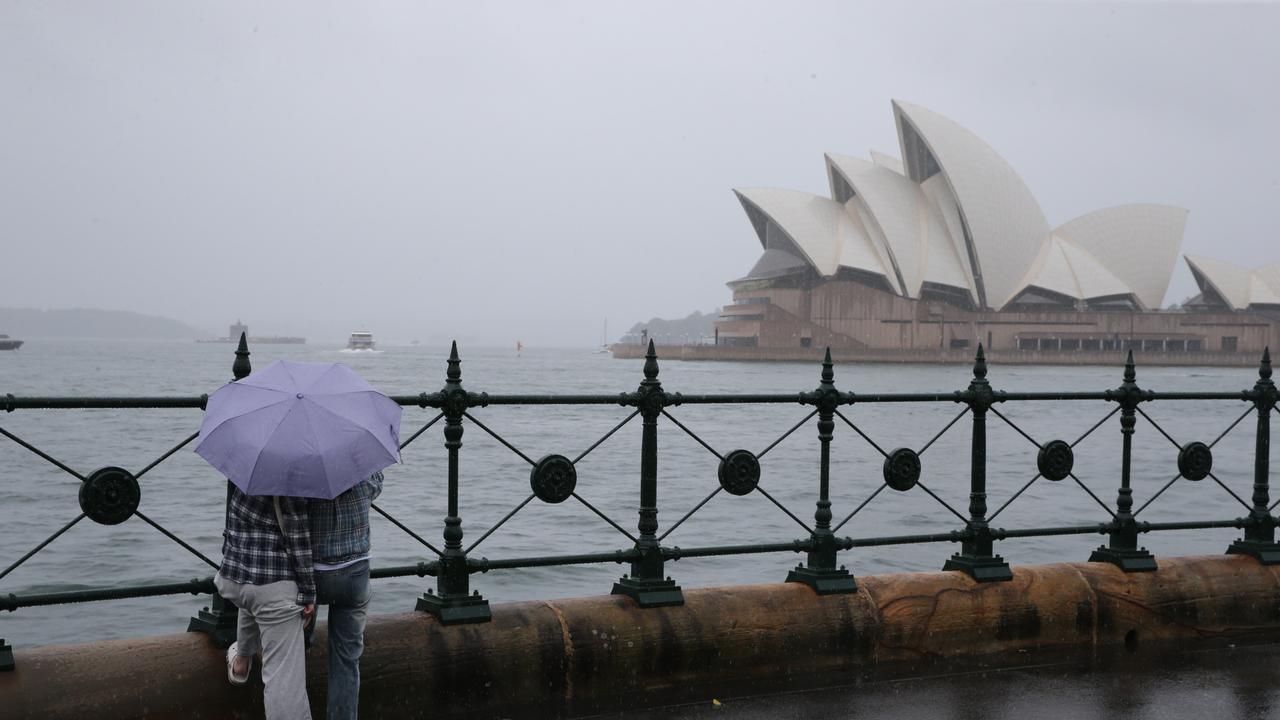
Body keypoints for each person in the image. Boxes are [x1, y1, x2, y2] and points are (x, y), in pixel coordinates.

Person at [215, 485, 316, 720]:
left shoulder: (246, 472)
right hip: (274, 585)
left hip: (238, 577)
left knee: (255, 598)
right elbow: (297, 537)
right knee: (284, 682)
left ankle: (242, 660)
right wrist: (308, 593)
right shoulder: (290, 478)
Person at [306, 471, 383, 720]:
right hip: (355, 567)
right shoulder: (358, 459)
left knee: (295, 649)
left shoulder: (303, 466)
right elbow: (375, 486)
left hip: (312, 570)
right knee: (346, 661)